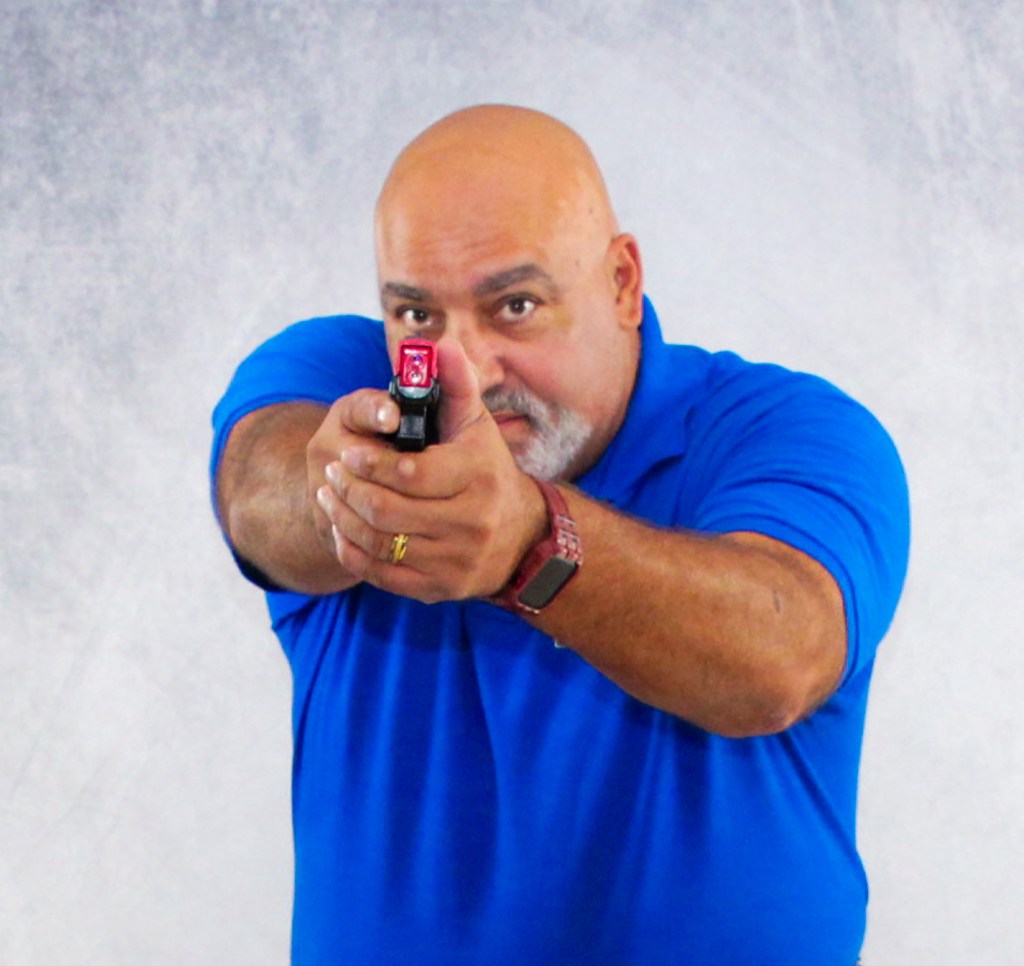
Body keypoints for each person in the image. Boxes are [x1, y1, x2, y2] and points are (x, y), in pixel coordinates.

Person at [210, 104, 910, 964]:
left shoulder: (790, 432)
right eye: (417, 315)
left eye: (515, 305)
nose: (466, 369)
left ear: (621, 282)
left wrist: (529, 545)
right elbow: (257, 495)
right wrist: (351, 496)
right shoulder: (344, 380)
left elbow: (780, 655)